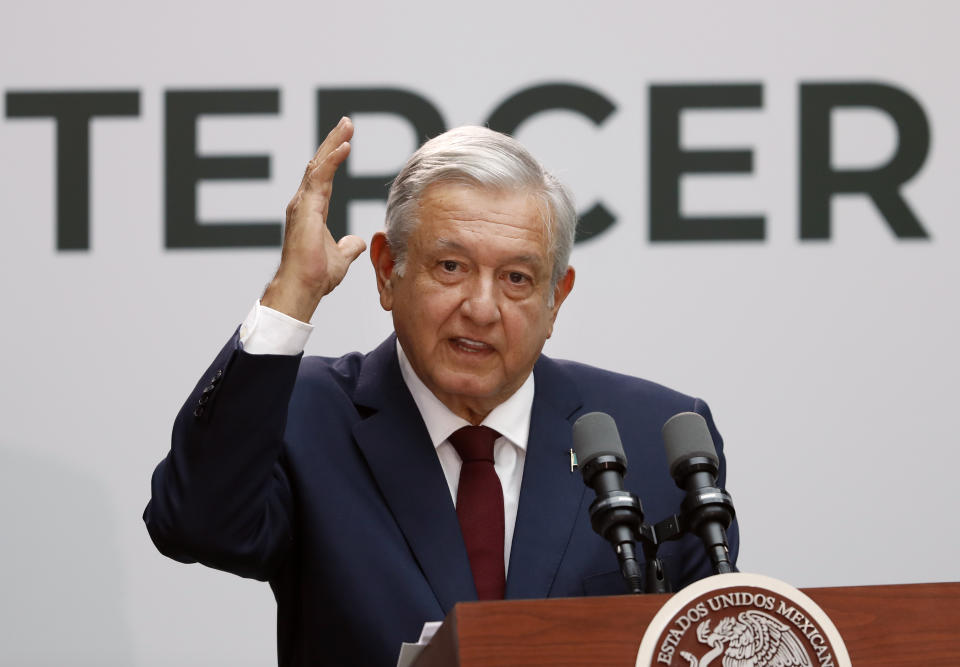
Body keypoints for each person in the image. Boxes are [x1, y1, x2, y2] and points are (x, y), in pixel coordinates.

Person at [144, 118, 739, 666]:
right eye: (450, 266)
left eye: (516, 278)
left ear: (556, 298)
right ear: (387, 271)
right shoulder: (303, 415)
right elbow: (195, 525)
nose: (481, 308)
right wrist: (291, 292)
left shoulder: (654, 435)